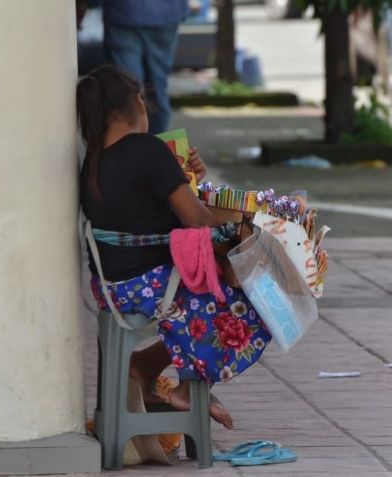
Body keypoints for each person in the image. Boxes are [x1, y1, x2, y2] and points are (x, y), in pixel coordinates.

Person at [77, 65, 271, 428]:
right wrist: (243, 224)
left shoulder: (94, 160)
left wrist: (189, 180)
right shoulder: (147, 150)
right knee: (256, 298)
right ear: (138, 101)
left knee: (214, 289)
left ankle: (145, 366)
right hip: (155, 287)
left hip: (112, 289)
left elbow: (148, 216)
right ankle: (193, 385)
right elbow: (198, 222)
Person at [101, 0, 187, 134]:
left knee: (127, 90)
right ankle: (155, 147)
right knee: (157, 87)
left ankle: (131, 149)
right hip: (166, 12)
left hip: (123, 11)